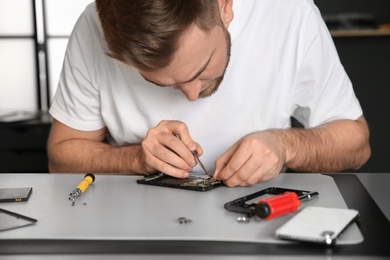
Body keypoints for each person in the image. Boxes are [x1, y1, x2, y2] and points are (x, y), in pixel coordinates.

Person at [47, 0, 371, 187]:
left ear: (223, 6)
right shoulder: (94, 27)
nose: (190, 96)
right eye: (163, 84)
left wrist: (285, 146)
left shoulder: (289, 13)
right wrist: (134, 158)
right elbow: (60, 158)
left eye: (202, 68)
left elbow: (357, 145)